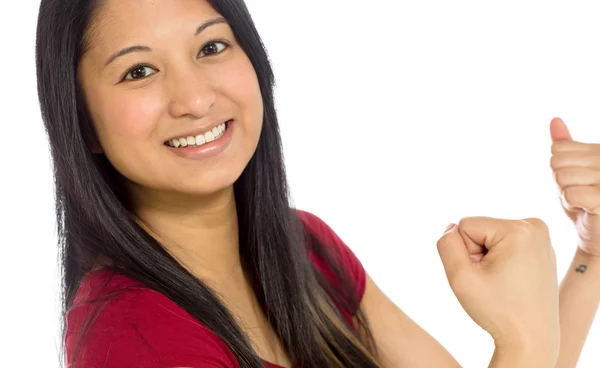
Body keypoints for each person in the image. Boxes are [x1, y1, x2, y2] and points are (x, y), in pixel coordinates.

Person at [34, 0, 600, 367]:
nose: (196, 100)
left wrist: (590, 253)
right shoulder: (134, 342)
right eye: (140, 71)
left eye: (211, 47)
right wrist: (521, 342)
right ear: (82, 122)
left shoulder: (304, 247)